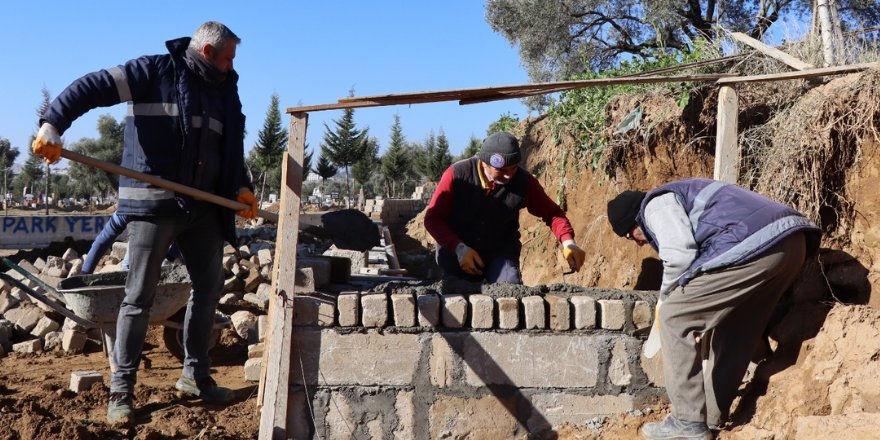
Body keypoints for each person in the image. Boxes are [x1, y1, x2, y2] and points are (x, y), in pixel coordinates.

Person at [32, 21, 258, 426]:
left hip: (204, 209)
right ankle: (122, 390)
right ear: (207, 52)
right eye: (227, 58)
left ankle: (196, 376)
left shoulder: (224, 89)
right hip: (155, 206)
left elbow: (231, 143)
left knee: (208, 290)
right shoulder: (152, 72)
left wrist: (241, 186)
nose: (231, 66)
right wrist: (53, 124)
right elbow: (93, 86)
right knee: (138, 297)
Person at [606, 178, 821, 440]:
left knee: (675, 317)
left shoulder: (654, 205)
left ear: (634, 222)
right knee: (737, 327)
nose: (638, 243)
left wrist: (667, 299)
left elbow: (679, 255)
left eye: (631, 236)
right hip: (791, 243)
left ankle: (687, 422)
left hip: (753, 243)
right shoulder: (683, 194)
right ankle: (710, 417)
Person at [424, 131, 585, 283]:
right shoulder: (457, 175)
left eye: (513, 168)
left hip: (499, 253)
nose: (509, 175)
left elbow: (552, 213)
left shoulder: (523, 181)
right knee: (457, 300)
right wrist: (458, 248)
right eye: (501, 170)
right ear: (485, 163)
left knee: (510, 292)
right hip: (456, 254)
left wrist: (568, 242)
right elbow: (433, 219)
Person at [81, 211, 182, 274]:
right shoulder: (127, 209)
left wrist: (169, 257)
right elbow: (104, 238)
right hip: (138, 262)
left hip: (158, 258)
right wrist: (84, 273)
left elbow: (103, 238)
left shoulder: (129, 206)